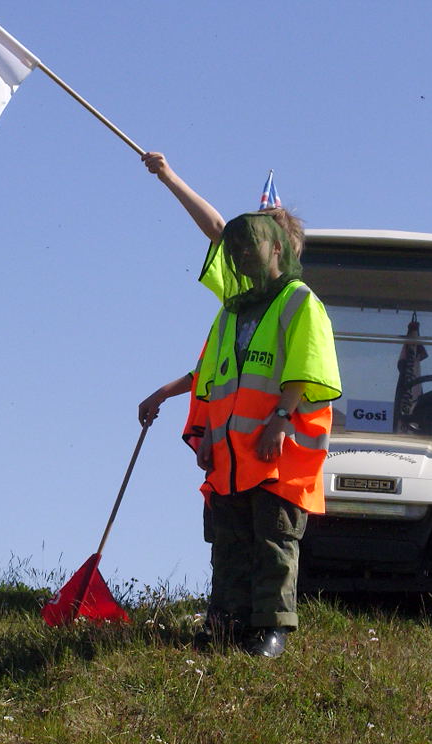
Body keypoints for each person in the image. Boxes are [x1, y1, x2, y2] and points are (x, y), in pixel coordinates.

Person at [139, 152, 341, 658]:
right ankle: (225, 625)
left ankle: (271, 629)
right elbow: (213, 379)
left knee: (274, 541)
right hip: (232, 456)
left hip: (278, 452)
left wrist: (281, 419)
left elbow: (308, 367)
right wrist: (203, 430)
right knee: (229, 544)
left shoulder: (299, 301)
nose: (242, 253)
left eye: (253, 244)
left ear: (280, 250)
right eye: (240, 247)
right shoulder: (231, 312)